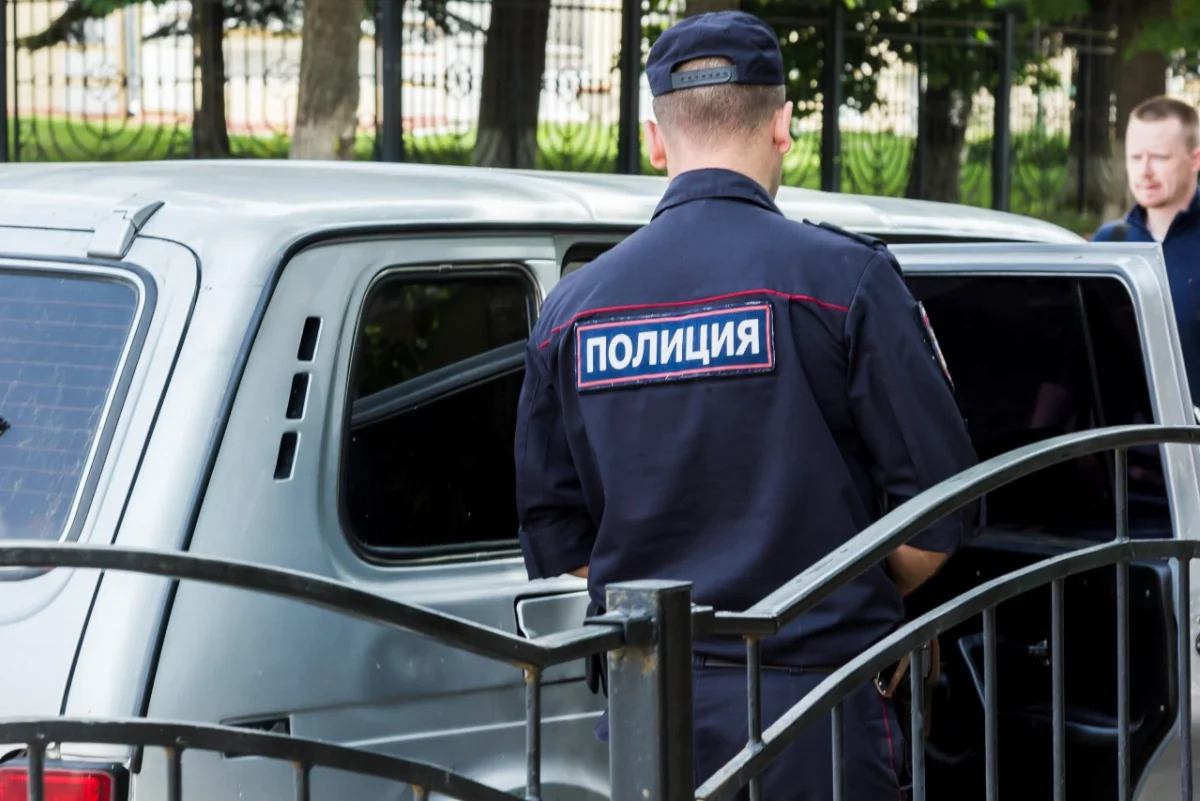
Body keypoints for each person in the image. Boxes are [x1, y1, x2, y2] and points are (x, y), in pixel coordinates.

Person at [512, 10, 979, 800]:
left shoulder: (572, 310)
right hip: (818, 710)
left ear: (655, 140)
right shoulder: (847, 281)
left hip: (652, 710)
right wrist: (839, 593)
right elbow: (940, 511)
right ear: (783, 125)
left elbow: (559, 531)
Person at [1092, 95, 1200, 403]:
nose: (1145, 171)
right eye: (1136, 157)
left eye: (1160, 158)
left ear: (1195, 159)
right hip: (1123, 433)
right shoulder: (1108, 244)